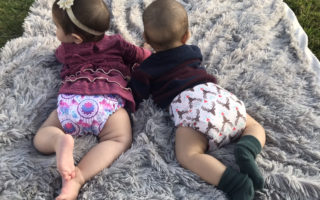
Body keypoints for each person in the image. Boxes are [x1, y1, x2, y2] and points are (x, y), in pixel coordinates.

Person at [129, 0, 266, 199]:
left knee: (188, 155)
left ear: (146, 38)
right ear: (187, 36)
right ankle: (247, 146)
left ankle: (236, 184)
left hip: (191, 107)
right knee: (254, 125)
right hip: (218, 95)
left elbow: (137, 92)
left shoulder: (147, 69)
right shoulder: (193, 52)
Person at [33, 0, 151, 199]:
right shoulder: (118, 43)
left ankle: (59, 140)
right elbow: (143, 57)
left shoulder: (65, 50)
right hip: (106, 104)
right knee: (118, 139)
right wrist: (146, 48)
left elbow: (57, 55)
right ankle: (78, 178)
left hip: (71, 102)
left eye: (57, 27)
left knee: (41, 135)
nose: (55, 30)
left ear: (76, 38)